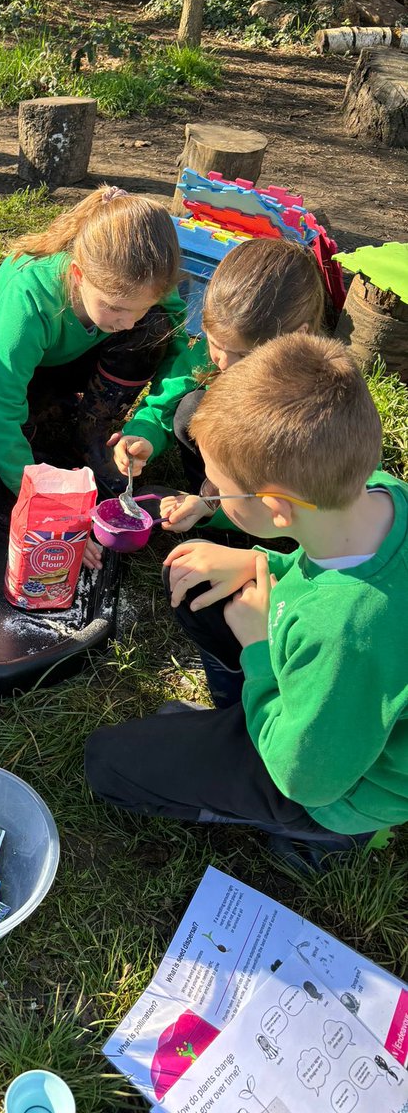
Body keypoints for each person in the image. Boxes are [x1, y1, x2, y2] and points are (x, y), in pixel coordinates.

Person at [85, 335, 408, 862]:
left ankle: (331, 837)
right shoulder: (380, 492)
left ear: (277, 508)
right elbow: (324, 576)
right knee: (202, 582)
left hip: (341, 785)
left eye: (219, 486)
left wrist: (259, 653)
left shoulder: (344, 631)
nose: (207, 488)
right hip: (330, 701)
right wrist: (261, 560)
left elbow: (307, 777)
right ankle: (248, 719)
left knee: (108, 764)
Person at [0, 187, 187, 497]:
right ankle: (52, 403)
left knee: (153, 327)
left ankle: (93, 431)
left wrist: (146, 428)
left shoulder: (147, 277)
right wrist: (34, 492)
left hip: (87, 351)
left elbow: (179, 361)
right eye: (115, 306)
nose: (128, 322)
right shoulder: (29, 295)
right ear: (78, 275)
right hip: (29, 362)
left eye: (140, 307)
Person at [111, 237, 326, 533]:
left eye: (244, 355)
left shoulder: (317, 399)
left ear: (296, 337)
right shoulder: (209, 357)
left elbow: (317, 500)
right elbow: (161, 407)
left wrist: (216, 510)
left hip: (274, 500)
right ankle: (207, 496)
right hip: (225, 481)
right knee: (192, 407)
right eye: (215, 343)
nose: (224, 362)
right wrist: (142, 437)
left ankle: (223, 511)